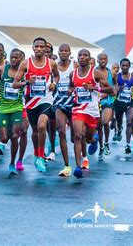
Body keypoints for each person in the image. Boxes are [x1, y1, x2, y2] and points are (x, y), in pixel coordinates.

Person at [13, 37, 59, 173]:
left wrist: (54, 84)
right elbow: (15, 84)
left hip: (46, 99)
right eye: (36, 46)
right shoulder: (25, 64)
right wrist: (27, 82)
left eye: (41, 47)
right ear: (32, 48)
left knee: (42, 126)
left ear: (45, 49)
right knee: (34, 131)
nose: (39, 49)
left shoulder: (51, 63)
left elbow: (56, 76)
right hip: (31, 101)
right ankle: (36, 152)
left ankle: (40, 156)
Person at [69, 49, 113, 178]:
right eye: (80, 56)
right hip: (78, 108)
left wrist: (94, 88)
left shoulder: (96, 73)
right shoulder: (73, 73)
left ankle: (94, 141)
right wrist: (69, 90)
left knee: (88, 138)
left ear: (89, 59)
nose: (82, 58)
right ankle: (78, 166)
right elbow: (71, 86)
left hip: (92, 111)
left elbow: (111, 89)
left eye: (85, 56)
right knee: (77, 135)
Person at [0, 48, 25, 174]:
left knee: (15, 136)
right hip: (3, 107)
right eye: (12, 57)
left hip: (17, 107)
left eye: (17, 57)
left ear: (21, 59)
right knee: (4, 138)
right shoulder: (3, 69)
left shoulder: (24, 71)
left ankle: (12, 162)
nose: (14, 60)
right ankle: (2, 141)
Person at [53, 44, 76, 176]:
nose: (63, 53)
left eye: (66, 51)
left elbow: (80, 80)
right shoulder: (54, 66)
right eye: (61, 51)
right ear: (58, 52)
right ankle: (67, 166)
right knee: (61, 132)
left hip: (73, 104)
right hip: (59, 104)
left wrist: (72, 89)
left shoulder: (75, 65)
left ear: (69, 52)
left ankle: (82, 158)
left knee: (75, 137)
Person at [114, 58, 133, 154]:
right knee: (119, 121)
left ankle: (128, 145)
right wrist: (119, 88)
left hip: (130, 102)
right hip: (119, 102)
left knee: (129, 122)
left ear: (129, 66)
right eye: (123, 65)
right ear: (120, 66)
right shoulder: (117, 76)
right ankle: (119, 129)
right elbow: (115, 87)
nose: (124, 67)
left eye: (126, 65)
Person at [96, 53, 117, 159]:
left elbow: (115, 86)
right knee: (98, 126)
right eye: (101, 59)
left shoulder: (111, 73)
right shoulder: (94, 72)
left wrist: (114, 91)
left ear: (107, 60)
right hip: (95, 102)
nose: (103, 60)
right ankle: (100, 147)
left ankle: (106, 142)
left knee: (105, 122)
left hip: (107, 102)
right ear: (97, 60)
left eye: (105, 59)